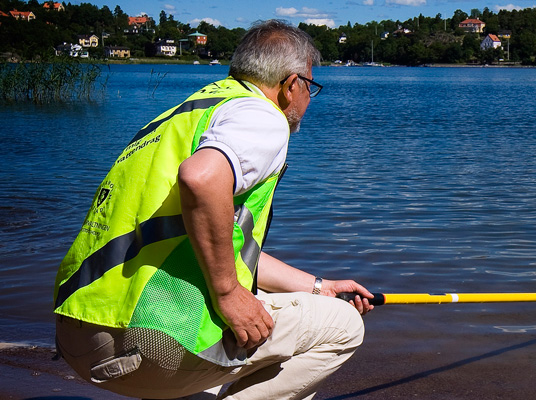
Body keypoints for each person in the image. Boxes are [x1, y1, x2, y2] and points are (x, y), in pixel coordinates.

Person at [53, 20, 374, 400]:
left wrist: (319, 287)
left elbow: (219, 237)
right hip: (146, 340)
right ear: (291, 85)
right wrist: (227, 293)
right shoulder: (262, 116)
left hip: (79, 332)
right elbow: (202, 179)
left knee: (299, 311)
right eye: (310, 86)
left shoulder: (180, 116)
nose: (308, 98)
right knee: (343, 325)